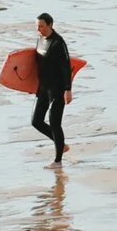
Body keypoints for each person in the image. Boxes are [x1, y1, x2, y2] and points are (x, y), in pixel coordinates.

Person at [29, 13, 73, 164]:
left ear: (50, 25)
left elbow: (67, 68)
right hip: (42, 87)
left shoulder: (58, 43)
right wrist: (29, 85)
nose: (39, 29)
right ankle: (62, 145)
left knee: (54, 123)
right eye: (37, 27)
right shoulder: (40, 40)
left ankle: (58, 160)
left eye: (41, 26)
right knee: (36, 121)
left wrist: (68, 89)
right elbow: (36, 66)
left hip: (57, 89)